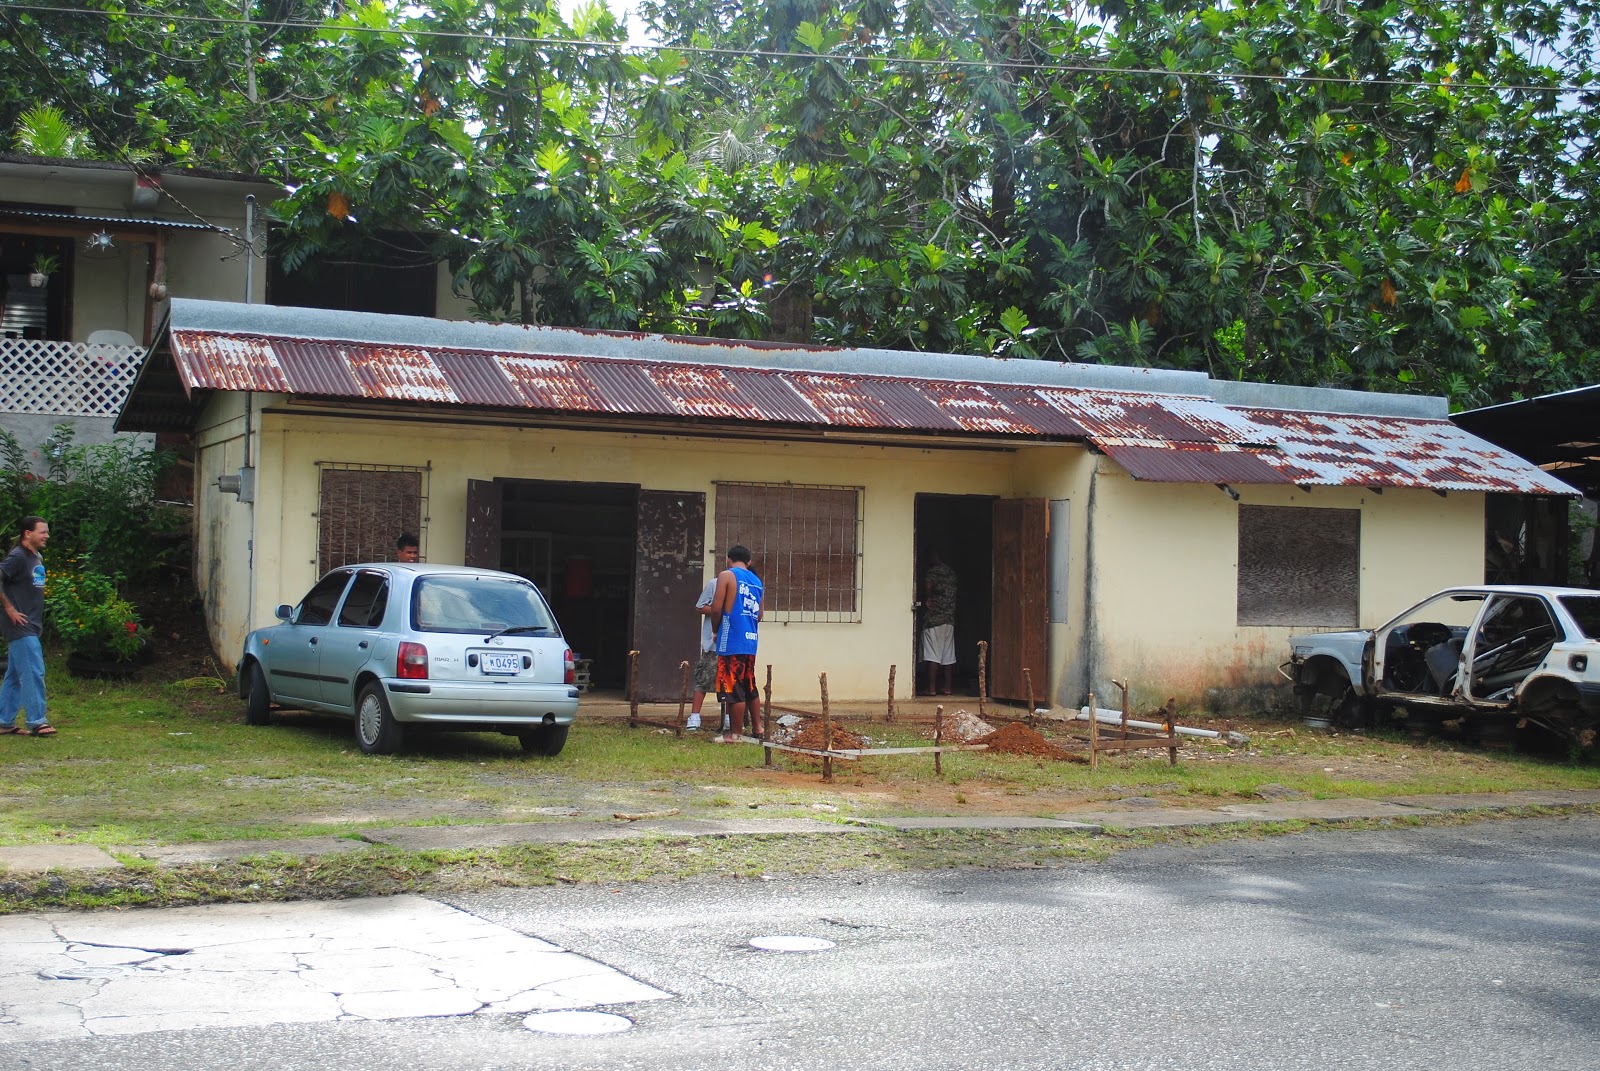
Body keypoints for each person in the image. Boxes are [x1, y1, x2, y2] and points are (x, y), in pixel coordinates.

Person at [0, 516, 52, 736]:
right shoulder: (18, 556)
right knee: (33, 671)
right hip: (19, 624)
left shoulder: (36, 556)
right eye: (43, 532)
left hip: (32, 623)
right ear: (27, 534)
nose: (47, 535)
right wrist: (10, 609)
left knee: (14, 675)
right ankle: (37, 721)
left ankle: (4, 722)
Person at [710, 544, 763, 743]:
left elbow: (716, 608)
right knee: (749, 685)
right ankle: (758, 728)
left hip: (731, 638)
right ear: (748, 562)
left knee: (733, 687)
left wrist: (716, 630)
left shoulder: (727, 575)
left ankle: (735, 734)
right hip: (750, 641)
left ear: (729, 559)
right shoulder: (756, 581)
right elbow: (759, 615)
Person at [920, 548, 958, 696]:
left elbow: (928, 586)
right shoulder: (951, 573)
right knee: (948, 656)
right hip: (949, 621)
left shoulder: (933, 572)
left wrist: (928, 598)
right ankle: (948, 688)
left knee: (933, 655)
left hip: (934, 620)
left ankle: (932, 689)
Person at [685, 576, 718, 731]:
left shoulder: (745, 585)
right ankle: (695, 716)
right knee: (703, 680)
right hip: (712, 644)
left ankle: (728, 718)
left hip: (734, 644)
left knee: (730, 684)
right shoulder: (714, 584)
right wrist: (719, 611)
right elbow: (700, 606)